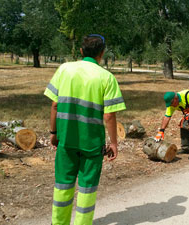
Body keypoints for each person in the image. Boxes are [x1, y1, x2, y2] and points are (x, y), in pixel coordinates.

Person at [44, 34, 126, 225]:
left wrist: (54, 133)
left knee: (63, 185)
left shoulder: (64, 69)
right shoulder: (107, 77)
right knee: (87, 188)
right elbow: (109, 116)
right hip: (92, 145)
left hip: (66, 140)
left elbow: (55, 105)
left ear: (81, 51)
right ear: (102, 53)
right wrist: (113, 143)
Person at [155, 89, 189, 160]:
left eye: (171, 103)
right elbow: (167, 117)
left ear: (175, 99)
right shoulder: (172, 105)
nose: (171, 105)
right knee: (184, 125)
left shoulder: (188, 95)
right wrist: (161, 131)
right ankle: (186, 148)